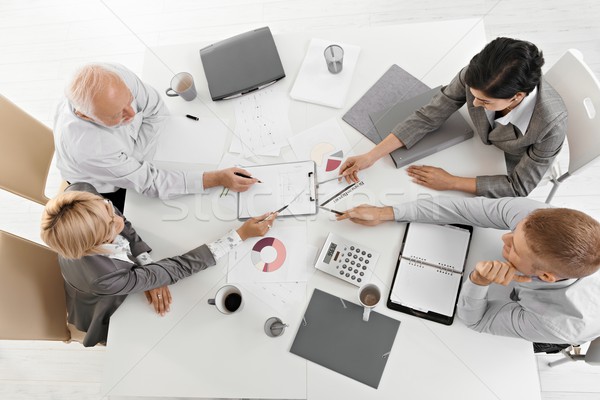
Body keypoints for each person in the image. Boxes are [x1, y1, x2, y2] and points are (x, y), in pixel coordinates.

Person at [337, 196, 600, 350]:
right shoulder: (533, 218)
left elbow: (477, 320)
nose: (504, 238)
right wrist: (387, 212)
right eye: (515, 231)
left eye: (514, 247)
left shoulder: (558, 323)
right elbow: (464, 210)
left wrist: (478, 281)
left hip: (555, 329)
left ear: (544, 276)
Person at [40, 182, 276, 347]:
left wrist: (147, 269)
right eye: (111, 227)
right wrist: (239, 236)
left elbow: (124, 225)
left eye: (109, 208)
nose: (118, 218)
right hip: (101, 305)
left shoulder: (82, 195)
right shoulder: (105, 278)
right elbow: (178, 267)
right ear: (95, 245)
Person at [340, 37, 567, 198]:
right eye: (474, 96)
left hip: (504, 165)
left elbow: (519, 186)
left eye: (485, 102)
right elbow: (430, 114)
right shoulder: (475, 76)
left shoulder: (550, 126)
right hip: (476, 148)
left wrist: (451, 182)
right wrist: (372, 155)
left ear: (516, 97)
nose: (475, 105)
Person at [54, 63, 258, 212]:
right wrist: (217, 178)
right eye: (117, 115)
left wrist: (134, 158)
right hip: (102, 187)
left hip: (127, 159)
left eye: (130, 101)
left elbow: (156, 110)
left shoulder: (114, 78)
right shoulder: (90, 149)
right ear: (84, 115)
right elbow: (151, 184)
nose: (132, 114)